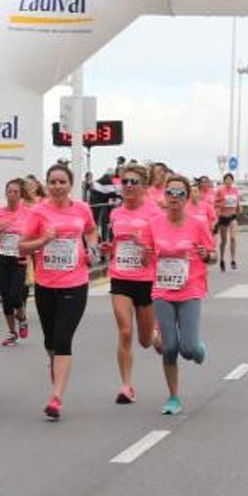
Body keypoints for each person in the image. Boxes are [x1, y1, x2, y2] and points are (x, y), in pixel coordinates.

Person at [19, 163, 99, 421]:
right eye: (52, 182)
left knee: (64, 338)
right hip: (46, 284)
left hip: (75, 282)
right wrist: (43, 241)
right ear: (46, 184)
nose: (57, 186)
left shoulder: (82, 209)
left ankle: (56, 398)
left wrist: (92, 250)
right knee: (50, 341)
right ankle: (56, 368)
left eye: (62, 182)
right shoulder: (38, 212)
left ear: (70, 184)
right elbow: (22, 247)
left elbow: (91, 230)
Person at [151, 175, 215, 414]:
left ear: (187, 198)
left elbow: (212, 254)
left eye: (180, 194)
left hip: (190, 289)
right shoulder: (154, 224)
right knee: (169, 347)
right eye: (170, 192)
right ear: (164, 196)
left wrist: (206, 255)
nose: (175, 197)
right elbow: (147, 256)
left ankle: (197, 348)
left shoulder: (197, 224)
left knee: (187, 349)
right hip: (162, 290)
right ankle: (173, 397)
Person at [103, 163, 159, 404]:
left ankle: (156, 336)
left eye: (133, 182)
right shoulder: (115, 213)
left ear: (144, 187)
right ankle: (126, 386)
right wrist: (109, 250)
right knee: (125, 331)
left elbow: (160, 248)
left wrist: (145, 245)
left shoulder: (154, 213)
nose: (127, 186)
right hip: (120, 277)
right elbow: (115, 244)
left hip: (146, 279)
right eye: (124, 182)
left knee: (145, 341)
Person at [0, 178, 32, 346]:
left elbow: (33, 235)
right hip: (2, 257)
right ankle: (12, 333)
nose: (13, 194)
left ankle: (22, 316)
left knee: (15, 295)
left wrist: (28, 254)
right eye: (10, 191)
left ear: (20, 194)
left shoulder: (27, 213)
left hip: (19, 258)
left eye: (16, 191)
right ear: (5, 193)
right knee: (5, 298)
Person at [215, 172, 241, 271]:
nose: (228, 181)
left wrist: (239, 208)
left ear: (232, 181)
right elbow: (215, 203)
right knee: (224, 241)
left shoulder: (235, 190)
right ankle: (221, 259)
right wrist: (221, 204)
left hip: (232, 216)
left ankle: (233, 260)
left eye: (230, 179)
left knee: (233, 238)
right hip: (223, 217)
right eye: (226, 179)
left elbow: (237, 202)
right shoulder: (220, 191)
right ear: (224, 181)